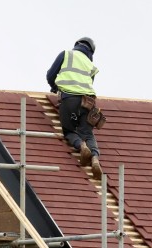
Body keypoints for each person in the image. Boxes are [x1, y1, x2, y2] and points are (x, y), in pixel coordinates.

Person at [47, 37, 102, 179]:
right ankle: (95, 158)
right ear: (90, 51)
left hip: (70, 98)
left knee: (69, 131)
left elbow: (50, 75)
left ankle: (81, 146)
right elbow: (89, 84)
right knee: (87, 132)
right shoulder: (90, 65)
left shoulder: (66, 54)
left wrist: (54, 87)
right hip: (88, 101)